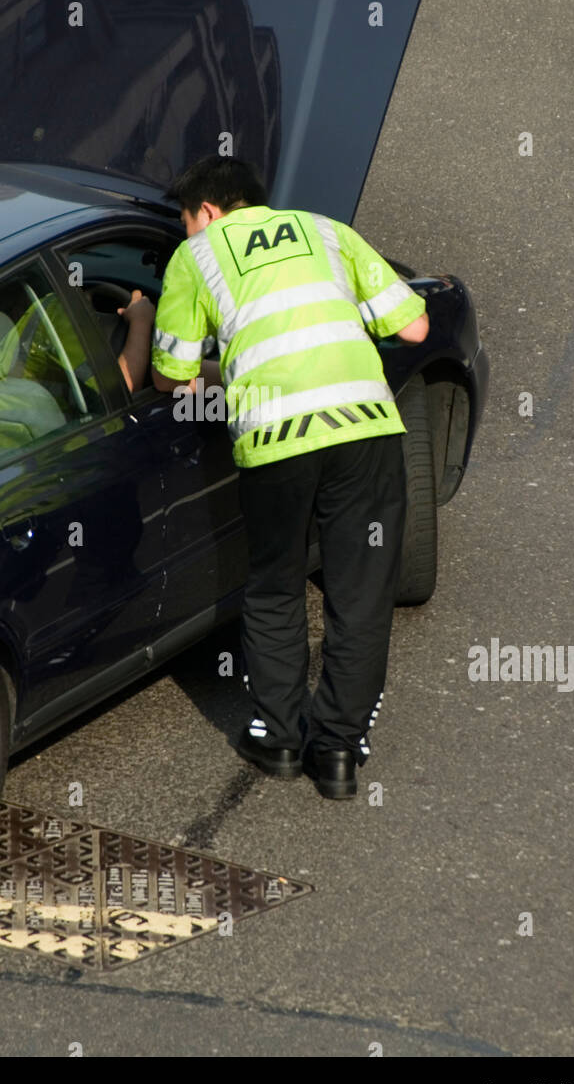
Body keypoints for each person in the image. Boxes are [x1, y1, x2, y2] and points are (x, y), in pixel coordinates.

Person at [150, 155, 429, 799]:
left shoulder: (197, 257)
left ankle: (277, 738)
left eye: (186, 220)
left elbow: (170, 375)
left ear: (209, 212)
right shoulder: (328, 230)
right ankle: (337, 753)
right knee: (359, 593)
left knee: (274, 587)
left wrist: (158, 330)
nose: (187, 232)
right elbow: (413, 326)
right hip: (364, 431)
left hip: (275, 439)